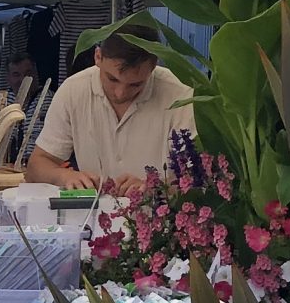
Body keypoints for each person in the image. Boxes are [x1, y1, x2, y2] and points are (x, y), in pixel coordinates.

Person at [24, 29, 192, 188]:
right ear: (98, 56)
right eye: (112, 79)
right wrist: (64, 176)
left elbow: (199, 180)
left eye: (135, 84)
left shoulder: (180, 95)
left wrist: (155, 189)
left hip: (160, 216)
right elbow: (36, 165)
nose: (120, 93)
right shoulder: (73, 90)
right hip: (91, 216)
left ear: (153, 67)